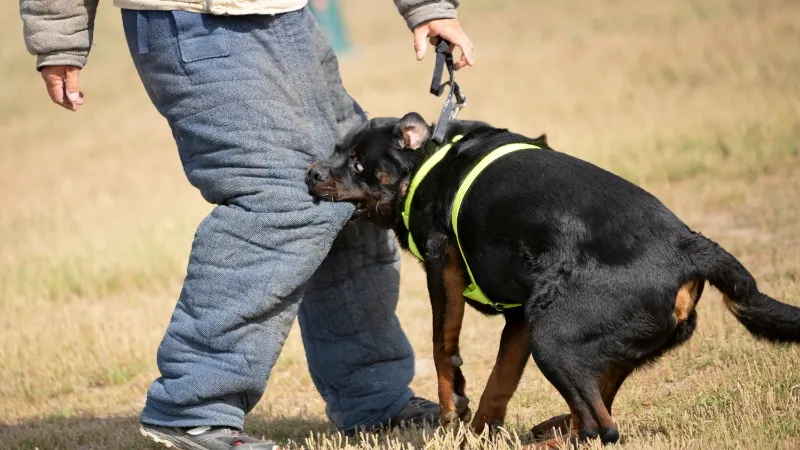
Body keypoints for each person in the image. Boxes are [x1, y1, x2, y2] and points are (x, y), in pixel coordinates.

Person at [20, 0, 474, 448]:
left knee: (354, 196)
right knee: (279, 200)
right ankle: (193, 408)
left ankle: (373, 401)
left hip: (289, 19)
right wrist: (59, 35)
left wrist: (426, 6)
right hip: (190, 20)